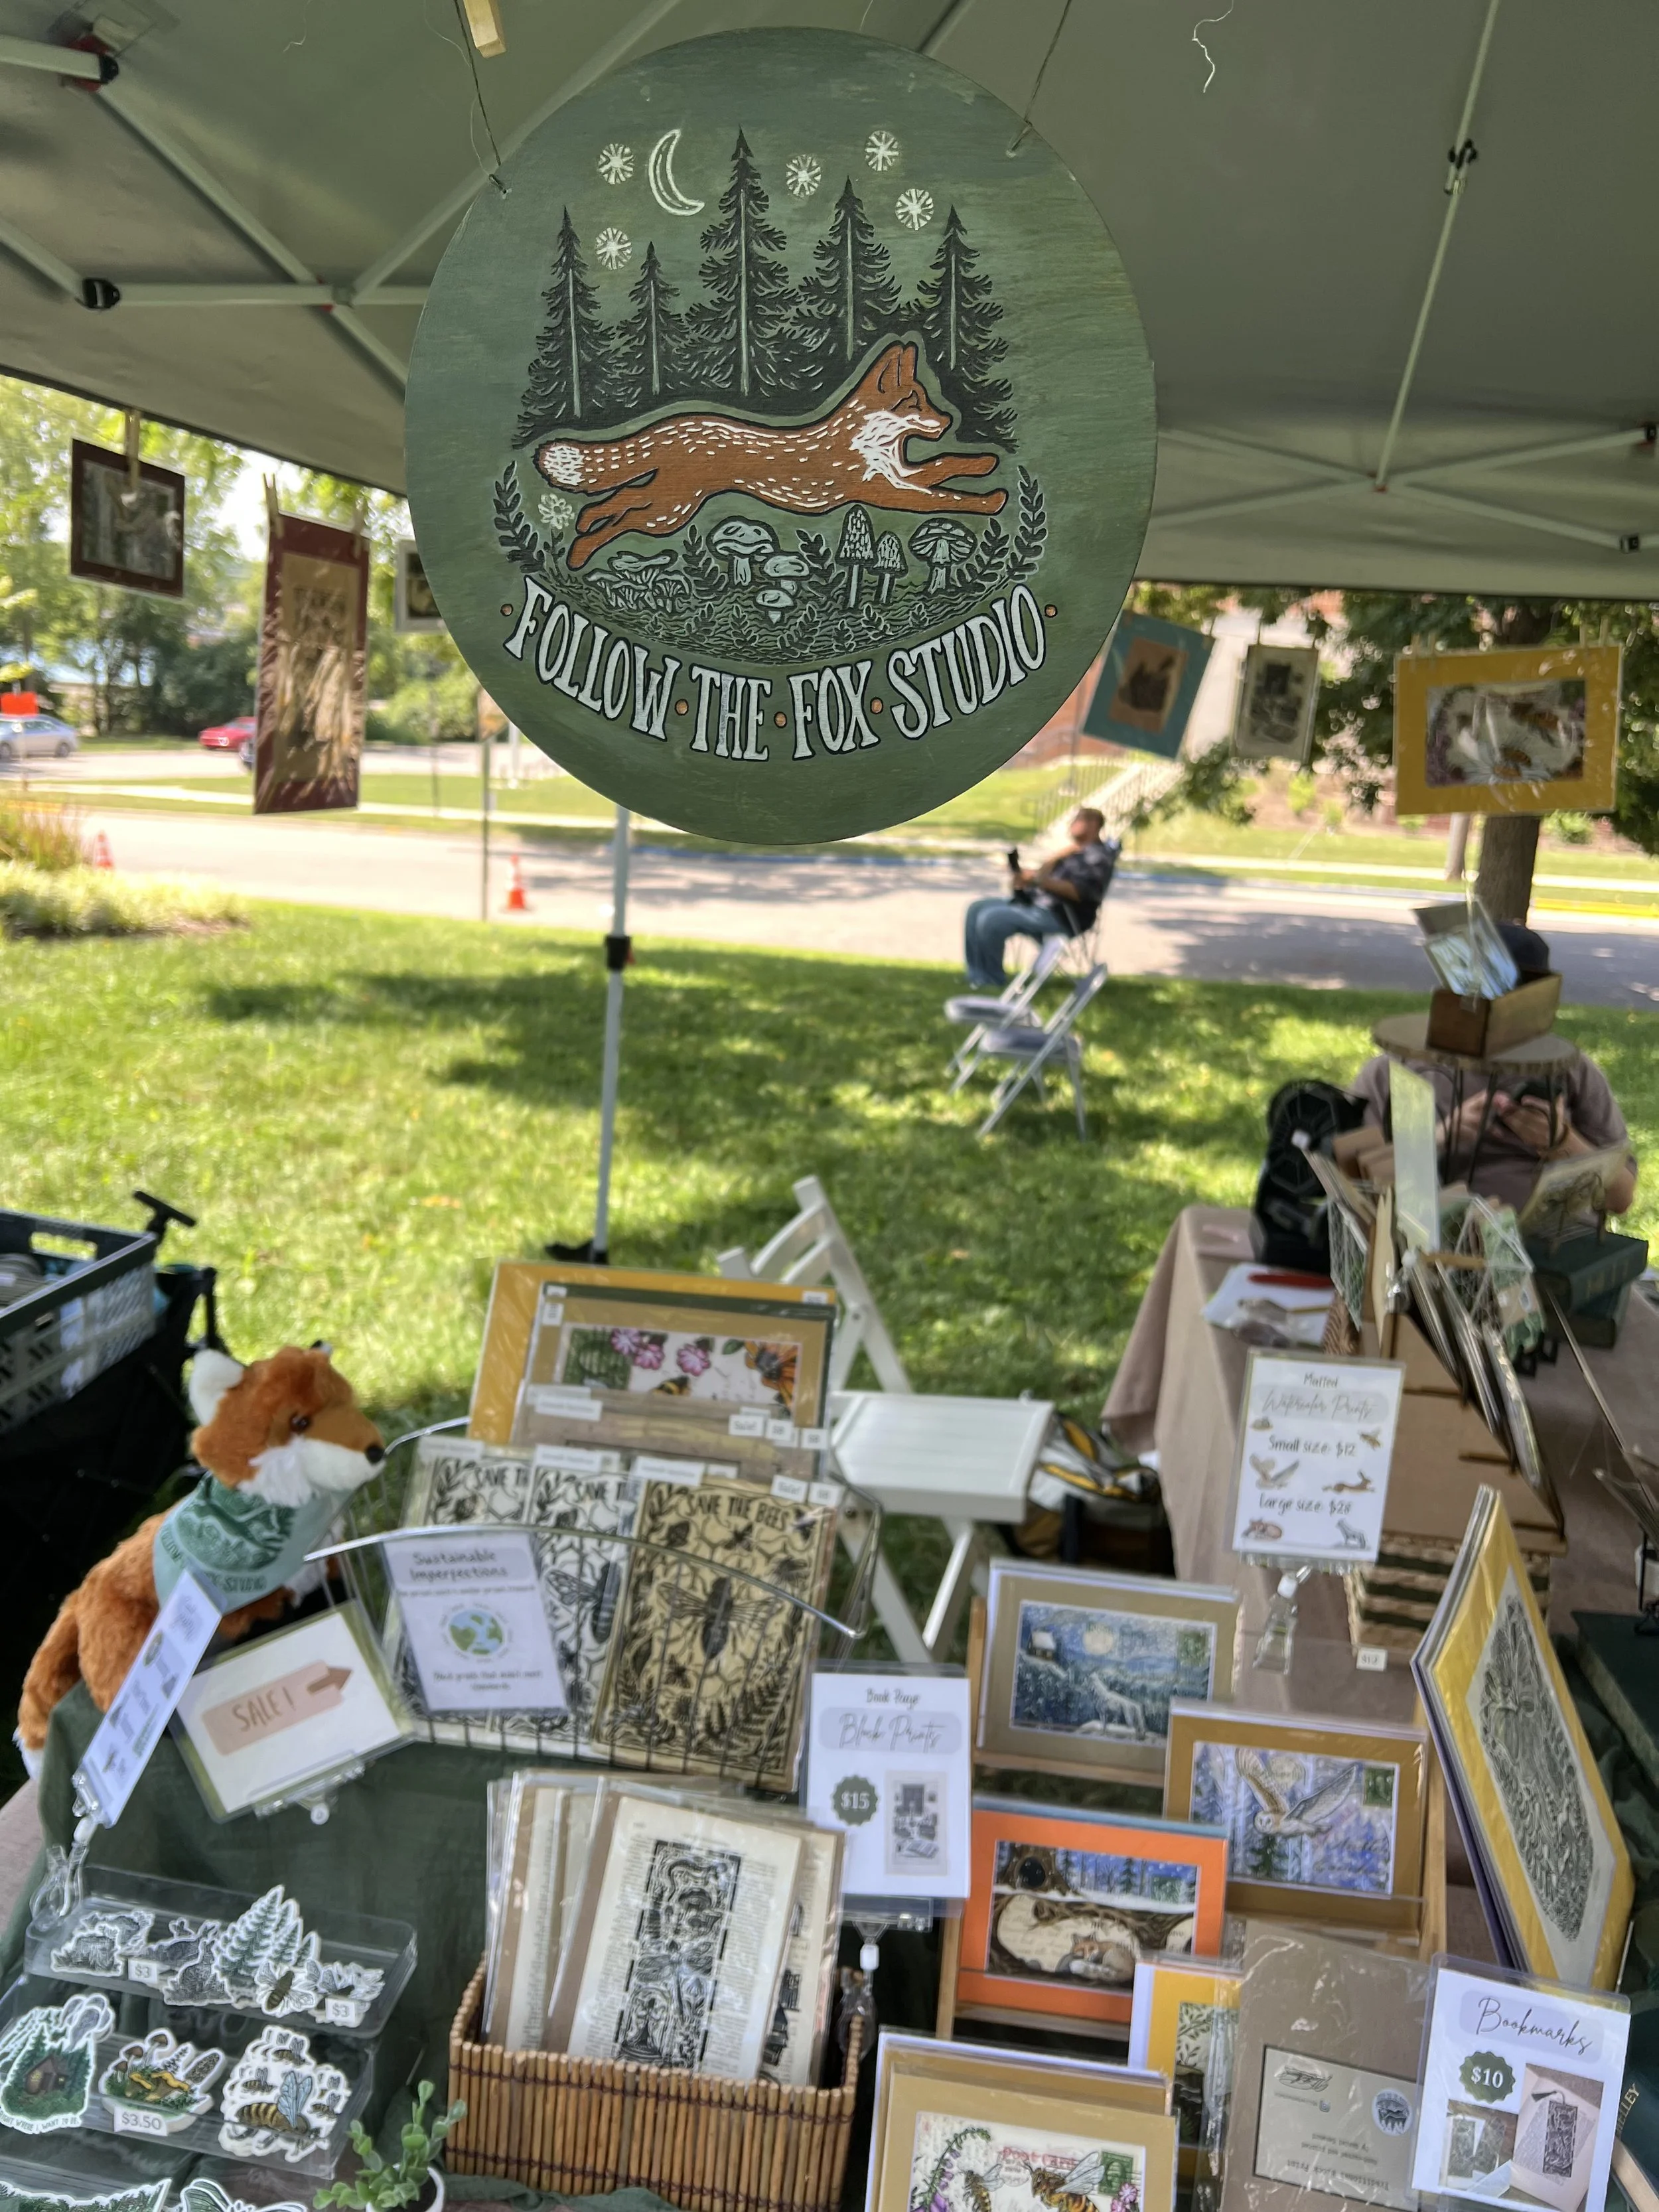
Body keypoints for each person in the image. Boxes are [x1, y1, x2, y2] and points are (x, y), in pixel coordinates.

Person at [1347, 922, 1638, 1216]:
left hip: (1552, 1246)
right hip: (1430, 1246)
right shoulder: (1394, 1071)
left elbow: (1621, 1198)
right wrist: (1441, 1137)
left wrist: (1560, 1141)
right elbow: (1354, 1187)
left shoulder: (1569, 1071)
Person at [962, 806, 1118, 989]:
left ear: (1093, 824)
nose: (1071, 824)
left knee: (992, 919)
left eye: (1077, 820)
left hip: (1062, 915)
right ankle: (976, 975)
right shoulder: (1073, 852)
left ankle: (991, 981)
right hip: (1038, 905)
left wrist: (1037, 881)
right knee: (977, 908)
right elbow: (1044, 878)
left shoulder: (1097, 857)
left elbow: (1079, 892)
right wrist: (1035, 874)